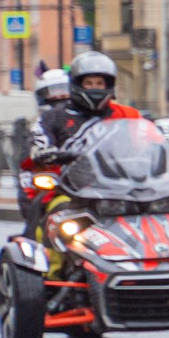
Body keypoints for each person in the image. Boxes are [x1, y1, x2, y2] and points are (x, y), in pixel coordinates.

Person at [22, 55, 138, 235]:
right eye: (89, 83)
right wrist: (44, 152)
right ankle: (54, 261)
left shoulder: (127, 114)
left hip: (123, 188)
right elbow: (38, 142)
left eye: (100, 83)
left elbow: (149, 138)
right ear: (76, 84)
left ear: (109, 85)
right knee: (57, 218)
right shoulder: (54, 117)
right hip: (71, 191)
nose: (95, 88)